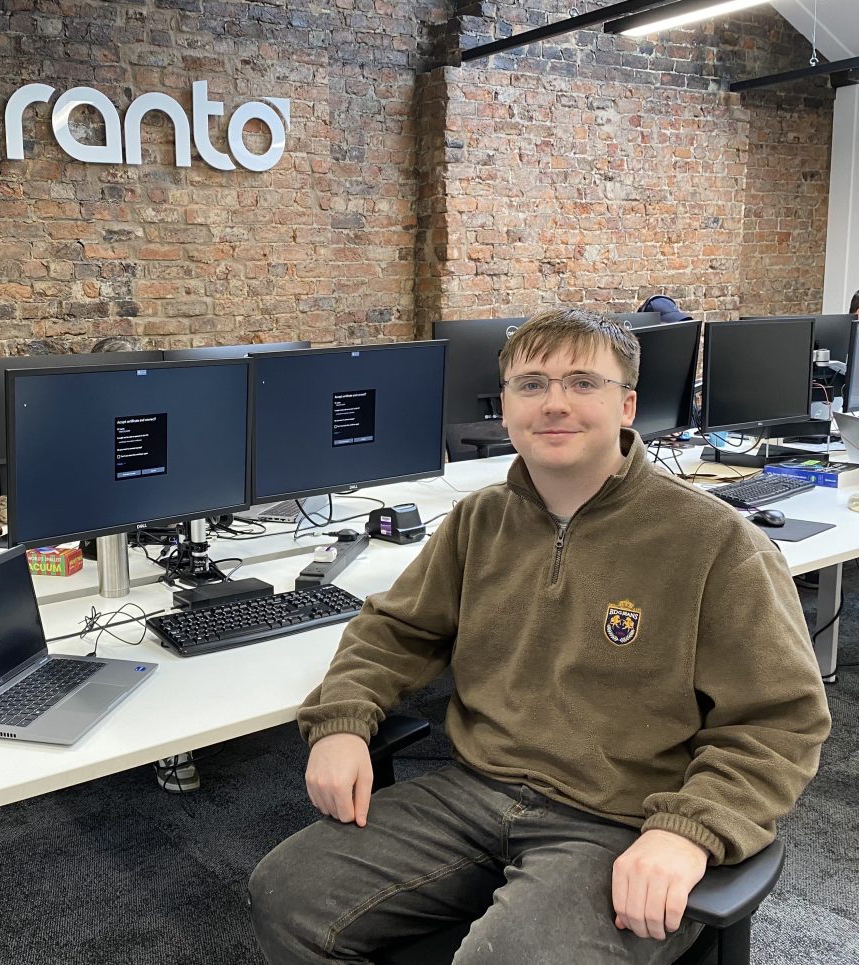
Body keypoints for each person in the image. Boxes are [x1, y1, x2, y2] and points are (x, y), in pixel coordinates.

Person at [249, 308, 831, 964]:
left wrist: (689, 830)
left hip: (621, 815)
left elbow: (780, 722)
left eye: (584, 382)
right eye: (531, 384)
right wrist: (342, 721)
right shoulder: (481, 519)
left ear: (628, 404)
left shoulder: (716, 543)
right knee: (289, 892)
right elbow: (395, 627)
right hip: (475, 787)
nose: (554, 402)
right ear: (505, 406)